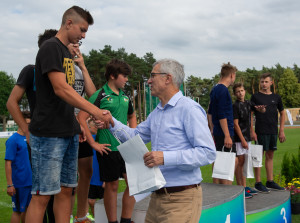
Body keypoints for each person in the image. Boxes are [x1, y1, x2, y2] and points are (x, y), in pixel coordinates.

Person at [25, 6, 113, 223]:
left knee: (66, 192)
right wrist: (95, 112)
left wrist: (79, 124)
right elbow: (61, 88)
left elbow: (74, 93)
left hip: (68, 132)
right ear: (69, 23)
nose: (83, 35)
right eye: (82, 30)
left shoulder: (67, 52)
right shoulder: (50, 47)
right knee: (42, 196)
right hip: (48, 134)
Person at [105, 59, 216, 223]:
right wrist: (111, 122)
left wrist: (165, 157)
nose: (148, 81)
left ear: (168, 78)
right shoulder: (157, 112)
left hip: (182, 200)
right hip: (157, 199)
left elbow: (207, 153)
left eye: (152, 76)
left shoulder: (189, 109)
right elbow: (134, 136)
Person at [6, 29, 58, 223]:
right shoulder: (31, 71)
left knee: (59, 195)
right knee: (40, 195)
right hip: (40, 141)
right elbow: (12, 102)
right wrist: (26, 130)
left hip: (61, 139)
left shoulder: (63, 74)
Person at [77, 58, 137, 223]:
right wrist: (93, 143)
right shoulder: (99, 95)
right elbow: (81, 118)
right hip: (108, 148)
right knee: (112, 186)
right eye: (124, 76)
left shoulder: (125, 97)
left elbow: (132, 115)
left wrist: (133, 135)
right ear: (112, 75)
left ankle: (125, 219)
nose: (126, 79)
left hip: (126, 148)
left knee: (134, 183)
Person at [67, 41, 97, 223]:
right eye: (73, 44)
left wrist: (83, 67)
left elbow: (92, 96)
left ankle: (81, 215)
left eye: (78, 45)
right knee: (68, 176)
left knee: (86, 170)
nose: (76, 47)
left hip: (81, 127)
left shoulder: (78, 69)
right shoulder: (59, 66)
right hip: (65, 127)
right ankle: (67, 216)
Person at [250, 72, 286, 192]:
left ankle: (270, 181)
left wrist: (281, 130)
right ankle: (258, 183)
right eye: (262, 82)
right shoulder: (255, 97)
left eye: (266, 82)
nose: (263, 84)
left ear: (271, 83)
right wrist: (252, 130)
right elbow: (250, 114)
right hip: (260, 131)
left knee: (270, 156)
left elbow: (282, 112)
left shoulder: (276, 97)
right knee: (259, 157)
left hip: (273, 131)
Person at [208, 62, 237, 185]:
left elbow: (209, 113)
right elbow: (221, 114)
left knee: (220, 163)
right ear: (231, 75)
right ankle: (226, 195)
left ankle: (218, 190)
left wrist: (213, 129)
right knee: (229, 163)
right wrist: (227, 135)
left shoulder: (214, 89)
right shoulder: (223, 91)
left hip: (218, 132)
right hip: (225, 132)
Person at [232, 83, 260, 199]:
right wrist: (242, 140)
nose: (240, 93)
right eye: (238, 91)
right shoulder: (235, 106)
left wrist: (262, 109)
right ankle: (240, 188)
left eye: (242, 90)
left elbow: (258, 111)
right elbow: (235, 124)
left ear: (245, 91)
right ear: (235, 94)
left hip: (247, 137)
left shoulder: (248, 103)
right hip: (239, 139)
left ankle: (244, 186)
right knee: (240, 162)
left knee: (245, 163)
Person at [5, 111, 32, 223]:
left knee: (28, 209)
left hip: (31, 181)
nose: (29, 126)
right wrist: (10, 184)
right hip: (20, 182)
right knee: (17, 211)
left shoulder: (30, 138)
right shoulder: (13, 140)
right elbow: (8, 163)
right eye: (27, 123)